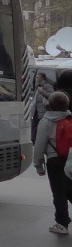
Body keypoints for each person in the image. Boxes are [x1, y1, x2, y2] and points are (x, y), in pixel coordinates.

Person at [34, 90, 72, 234]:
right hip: (71, 159)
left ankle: (62, 224)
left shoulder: (46, 121)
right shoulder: (70, 118)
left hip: (55, 160)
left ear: (50, 105)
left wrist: (39, 165)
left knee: (59, 193)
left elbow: (39, 146)